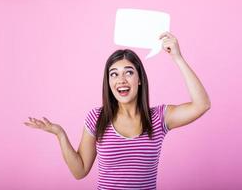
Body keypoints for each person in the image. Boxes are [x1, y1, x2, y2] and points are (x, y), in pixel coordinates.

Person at [24, 31, 211, 189]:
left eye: (128, 72)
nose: (121, 79)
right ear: (109, 82)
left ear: (139, 79)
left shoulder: (159, 117)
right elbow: (79, 171)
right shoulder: (97, 118)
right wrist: (60, 134)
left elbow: (202, 104)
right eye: (114, 74)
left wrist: (177, 57)